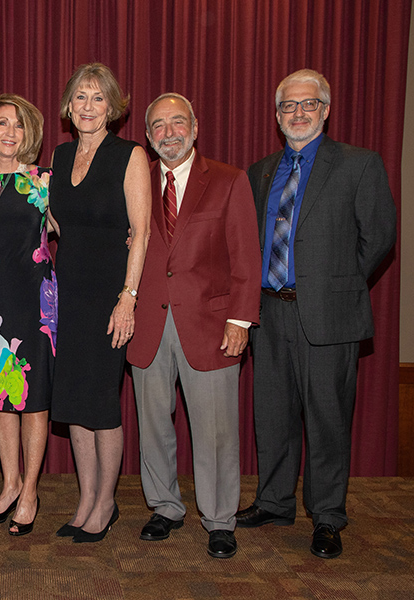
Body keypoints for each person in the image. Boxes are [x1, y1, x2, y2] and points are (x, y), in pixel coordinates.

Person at [236, 69, 396, 559]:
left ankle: (327, 516)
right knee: (273, 415)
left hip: (329, 316)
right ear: (277, 115)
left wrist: (334, 286)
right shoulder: (260, 171)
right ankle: (274, 501)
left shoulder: (359, 165)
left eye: (309, 104)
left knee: (328, 419)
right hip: (270, 315)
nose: (298, 113)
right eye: (289, 106)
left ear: (326, 110)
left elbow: (379, 237)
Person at [128, 93, 260, 559]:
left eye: (177, 122)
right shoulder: (135, 182)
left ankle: (220, 518)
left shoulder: (228, 180)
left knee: (216, 430)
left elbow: (246, 256)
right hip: (146, 325)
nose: (169, 133)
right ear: (147, 136)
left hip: (211, 326)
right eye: (158, 126)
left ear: (195, 126)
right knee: (153, 426)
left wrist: (240, 319)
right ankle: (164, 506)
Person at [49, 63, 151, 543]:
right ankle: (86, 498)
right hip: (67, 296)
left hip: (110, 298)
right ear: (69, 107)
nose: (88, 106)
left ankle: (107, 502)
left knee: (102, 403)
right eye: (80, 98)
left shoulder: (130, 156)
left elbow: (143, 231)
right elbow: (55, 222)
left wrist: (127, 298)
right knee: (74, 405)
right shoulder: (61, 153)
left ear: (112, 107)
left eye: (97, 98)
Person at [0, 94, 55, 536]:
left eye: (18, 125)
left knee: (33, 397)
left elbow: (82, 226)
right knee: (2, 396)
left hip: (37, 303)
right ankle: (9, 484)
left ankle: (31, 492)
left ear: (29, 134)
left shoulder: (44, 182)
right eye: (2, 123)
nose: (9, 132)